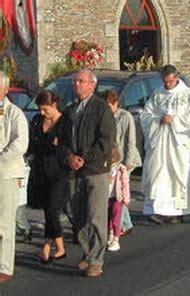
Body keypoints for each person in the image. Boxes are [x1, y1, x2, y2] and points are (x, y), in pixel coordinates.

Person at [141, 64, 190, 224]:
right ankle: (159, 210)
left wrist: (174, 120)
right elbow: (145, 115)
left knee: (179, 176)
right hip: (160, 144)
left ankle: (179, 211)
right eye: (165, 81)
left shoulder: (188, 96)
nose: (167, 85)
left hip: (180, 145)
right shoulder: (158, 94)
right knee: (159, 175)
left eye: (170, 82)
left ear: (176, 78)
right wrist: (158, 119)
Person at [65, 69, 116, 278]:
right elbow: (63, 139)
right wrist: (69, 157)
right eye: (75, 81)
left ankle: (96, 259)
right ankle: (87, 252)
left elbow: (106, 140)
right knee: (77, 214)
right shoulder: (70, 110)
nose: (76, 84)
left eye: (81, 81)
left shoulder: (101, 109)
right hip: (73, 170)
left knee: (96, 215)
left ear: (92, 85)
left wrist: (84, 157)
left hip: (95, 169)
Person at [27, 91, 72, 263]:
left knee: (53, 209)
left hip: (58, 172)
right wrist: (49, 144)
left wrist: (45, 144)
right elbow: (32, 144)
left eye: (45, 109)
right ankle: (48, 248)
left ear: (54, 105)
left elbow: (63, 148)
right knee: (48, 210)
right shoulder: (37, 120)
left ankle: (57, 247)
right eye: (40, 109)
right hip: (40, 170)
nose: (42, 113)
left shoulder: (65, 122)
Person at [0, 71, 29, 283]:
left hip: (6, 173)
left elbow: (20, 144)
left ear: (5, 89)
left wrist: (0, 159)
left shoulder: (15, 113)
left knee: (5, 222)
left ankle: (5, 266)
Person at [101, 90, 141, 236]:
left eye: (108, 106)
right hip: (112, 160)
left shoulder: (125, 117)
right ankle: (125, 223)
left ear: (115, 104)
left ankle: (123, 224)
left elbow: (130, 140)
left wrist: (127, 162)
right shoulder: (104, 117)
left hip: (124, 159)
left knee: (118, 190)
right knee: (115, 192)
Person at [107, 148, 130, 252]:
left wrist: (126, 198)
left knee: (116, 218)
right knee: (108, 218)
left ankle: (116, 238)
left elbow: (125, 185)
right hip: (106, 197)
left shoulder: (120, 169)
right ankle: (110, 235)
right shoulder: (104, 168)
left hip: (117, 197)